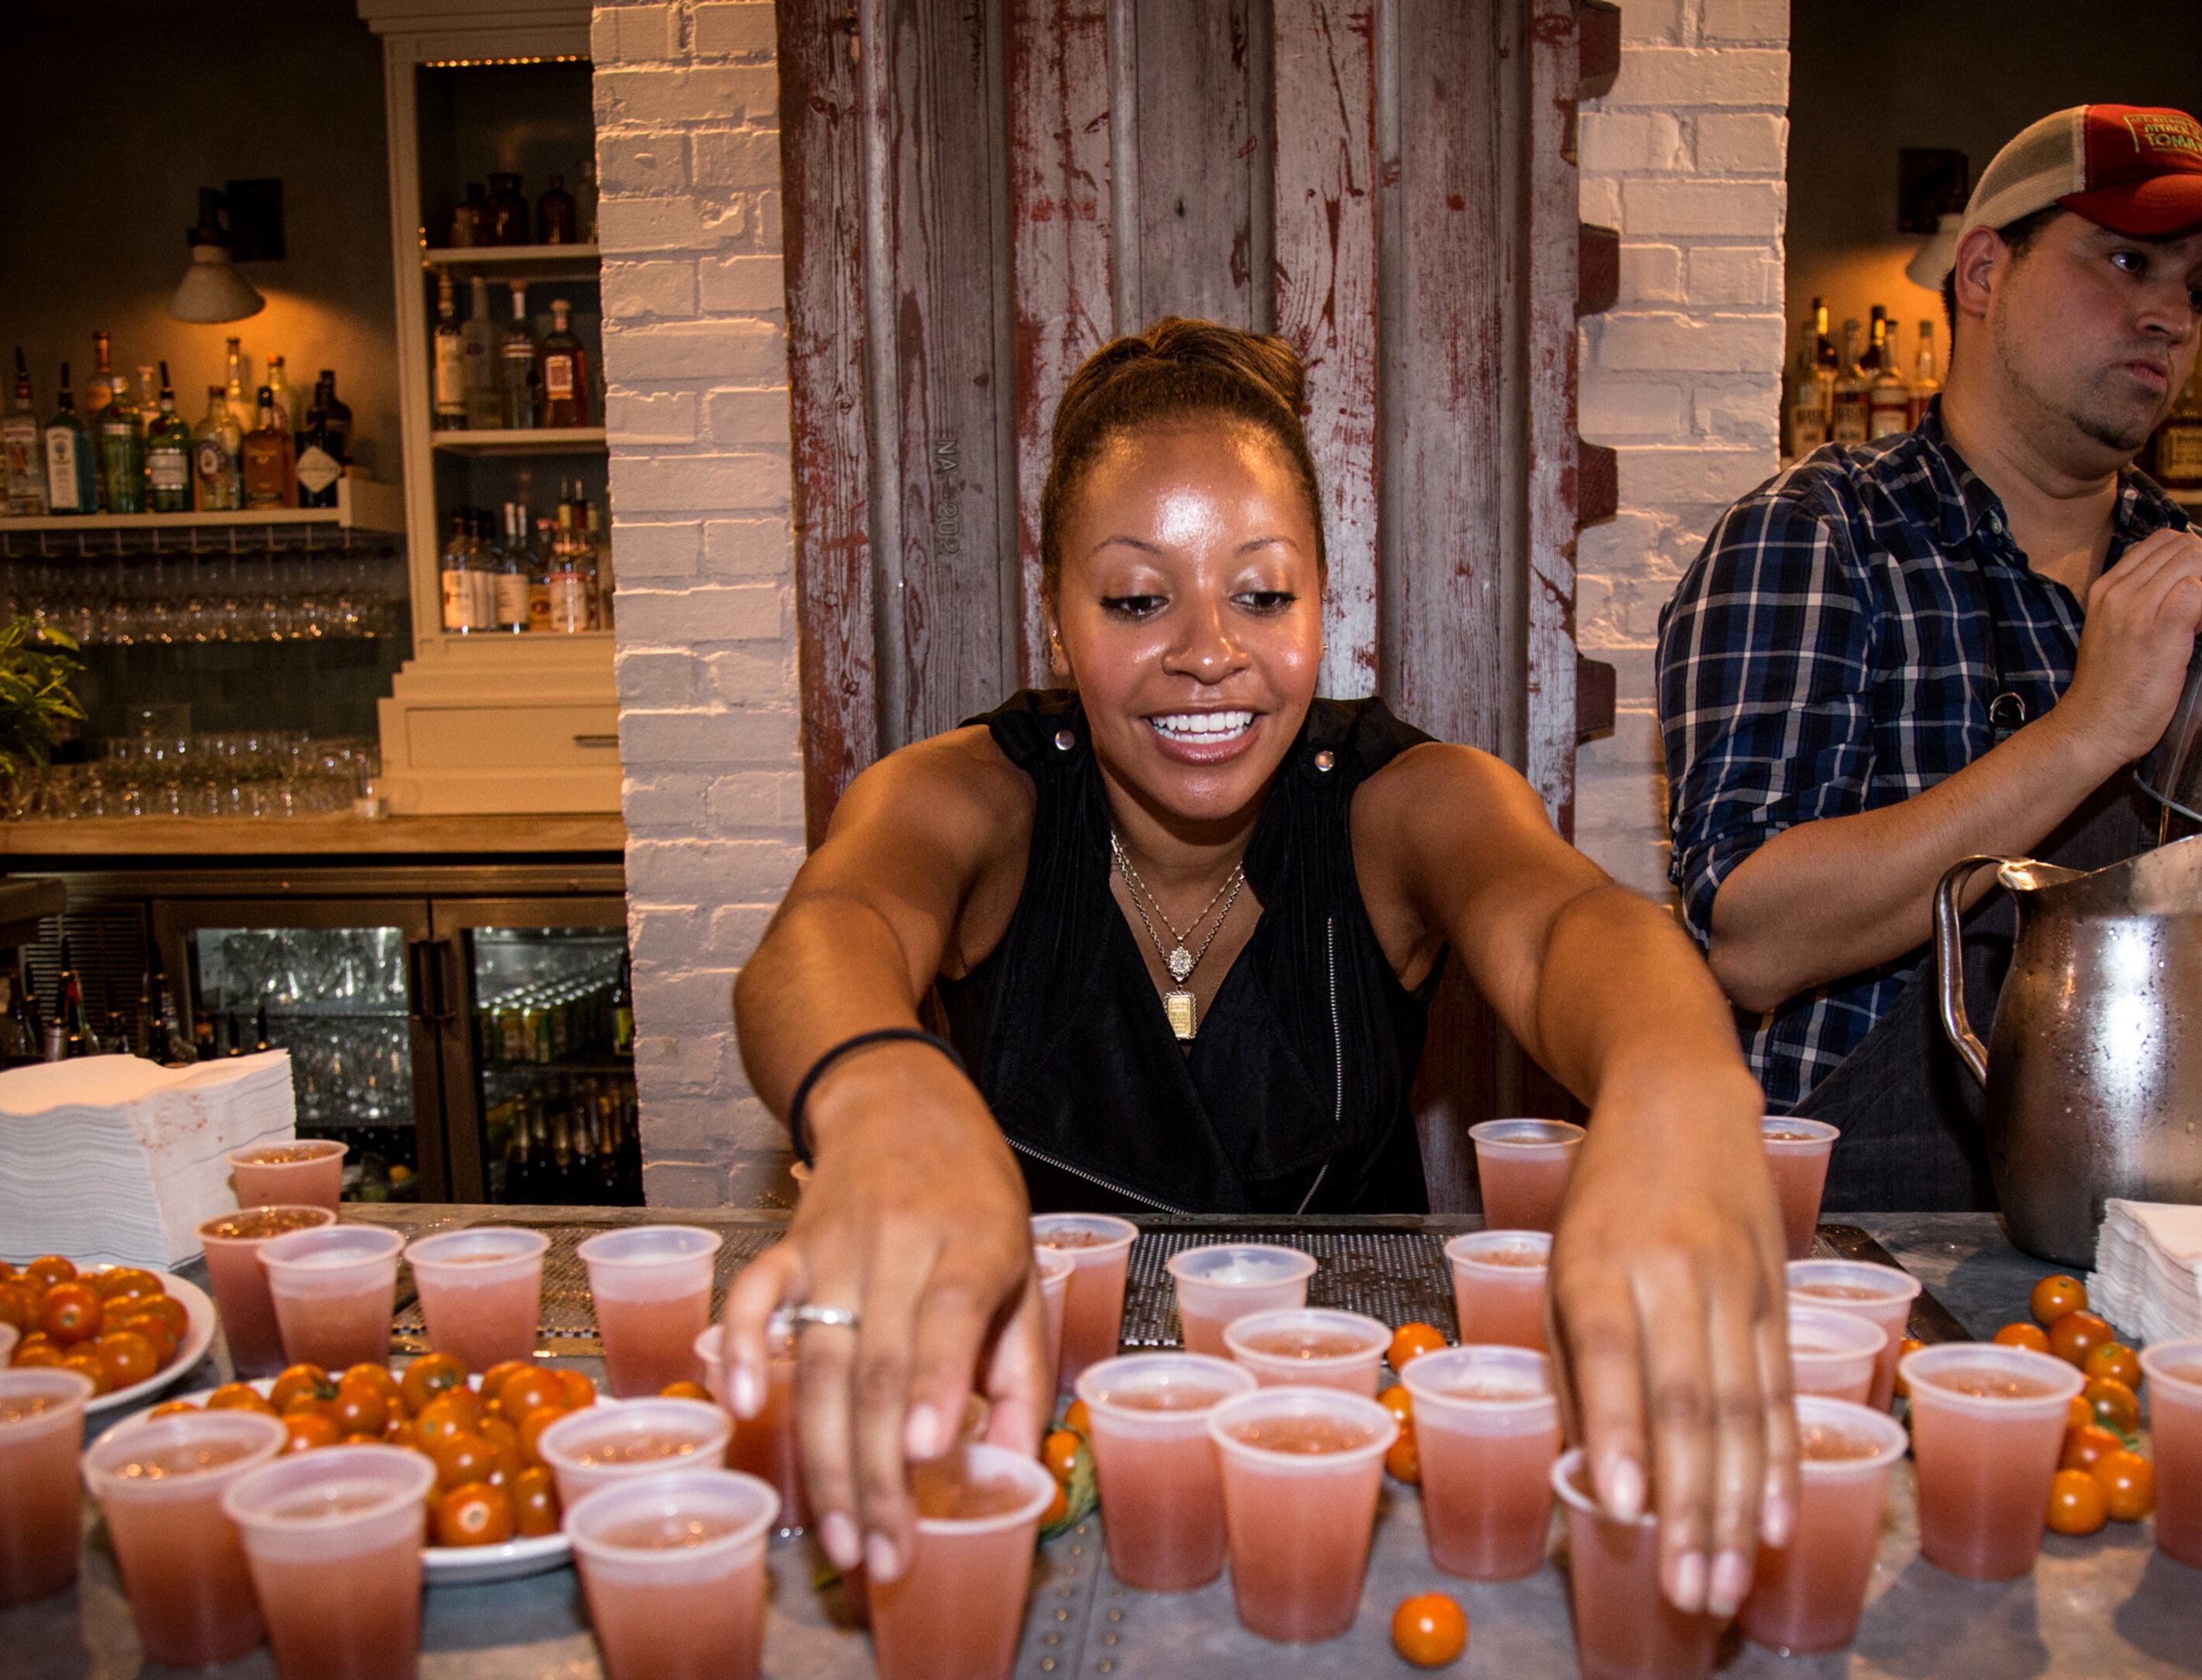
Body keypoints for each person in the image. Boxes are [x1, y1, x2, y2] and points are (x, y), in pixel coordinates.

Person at [720, 318, 1794, 1619]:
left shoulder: (1404, 802)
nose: (1207, 650)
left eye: (1261, 592)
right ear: (1055, 614)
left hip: (1355, 1475)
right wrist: (886, 1096)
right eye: (1135, 599)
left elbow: (1573, 922)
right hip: (1021, 1466)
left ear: (1320, 608)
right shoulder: (975, 799)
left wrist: (1678, 1084)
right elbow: (824, 933)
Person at [1658, 105, 2202, 1207]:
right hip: (1860, 1233)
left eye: (2194, 291)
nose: (2168, 317)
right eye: (2128, 260)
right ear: (1983, 271)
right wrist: (2091, 729)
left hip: (2141, 1209)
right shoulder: (1819, 536)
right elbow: (1753, 938)